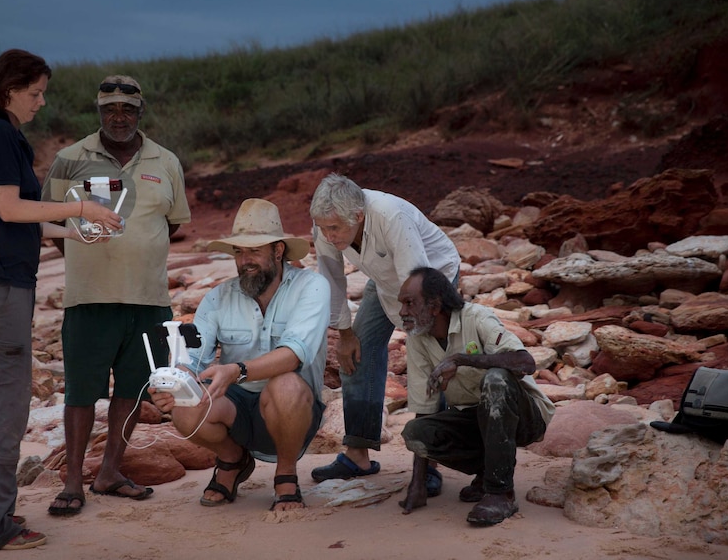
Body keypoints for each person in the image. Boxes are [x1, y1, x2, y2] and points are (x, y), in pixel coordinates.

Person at [0, 49, 122, 551]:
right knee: (4, 407)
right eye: (35, 92)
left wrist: (71, 229)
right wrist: (83, 204)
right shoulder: (1, 134)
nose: (41, 102)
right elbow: (8, 205)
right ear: (9, 89)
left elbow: (11, 215)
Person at [41, 75, 191, 515]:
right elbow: (49, 221)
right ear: (99, 112)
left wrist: (138, 246)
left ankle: (109, 472)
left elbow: (174, 221)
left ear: (140, 112)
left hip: (148, 299)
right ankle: (71, 484)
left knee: (131, 389)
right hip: (89, 298)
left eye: (127, 109)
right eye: (110, 110)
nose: (119, 117)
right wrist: (88, 251)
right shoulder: (70, 158)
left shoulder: (166, 161)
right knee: (81, 394)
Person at [149, 198, 329, 511]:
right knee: (184, 408)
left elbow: (294, 355)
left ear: (278, 250)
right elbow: (192, 357)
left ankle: (286, 473)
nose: (244, 260)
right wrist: (174, 383)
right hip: (237, 408)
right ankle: (233, 460)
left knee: (285, 383)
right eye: (238, 251)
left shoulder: (312, 287)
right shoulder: (219, 296)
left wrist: (236, 370)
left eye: (254, 251)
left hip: (294, 408)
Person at [308, 173, 460, 497]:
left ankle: (429, 461)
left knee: (430, 364)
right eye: (323, 228)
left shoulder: (391, 216)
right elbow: (332, 280)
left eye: (335, 229)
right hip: (387, 279)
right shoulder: (327, 224)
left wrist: (417, 339)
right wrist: (345, 334)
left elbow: (418, 283)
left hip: (431, 279)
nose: (328, 235)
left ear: (358, 216)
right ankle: (357, 455)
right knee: (357, 355)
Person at [397, 267, 555, 525]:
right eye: (401, 304)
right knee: (416, 433)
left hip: (525, 417)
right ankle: (487, 471)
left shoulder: (477, 318)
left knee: (496, 379)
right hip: (477, 421)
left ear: (435, 306)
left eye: (409, 303)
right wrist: (419, 483)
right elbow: (425, 407)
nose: (403, 312)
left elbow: (524, 362)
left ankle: (500, 492)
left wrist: (461, 359)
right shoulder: (417, 339)